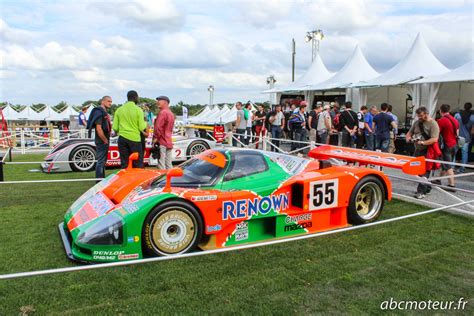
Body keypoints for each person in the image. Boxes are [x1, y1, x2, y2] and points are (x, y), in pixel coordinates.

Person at [406, 107, 440, 199]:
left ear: (426, 114)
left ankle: (421, 192)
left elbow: (434, 139)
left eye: (421, 116)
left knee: (424, 171)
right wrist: (408, 138)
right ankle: (427, 187)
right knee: (417, 170)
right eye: (418, 116)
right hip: (417, 150)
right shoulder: (417, 123)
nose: (419, 117)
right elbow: (409, 133)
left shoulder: (433, 124)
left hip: (428, 151)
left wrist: (423, 142)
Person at [112, 90, 147, 168]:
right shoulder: (138, 110)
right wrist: (145, 123)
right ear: (135, 97)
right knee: (137, 163)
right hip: (135, 140)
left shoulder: (119, 110)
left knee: (124, 163)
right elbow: (141, 127)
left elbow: (115, 127)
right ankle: (137, 180)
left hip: (122, 139)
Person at [86, 96, 112, 180]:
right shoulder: (99, 112)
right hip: (101, 140)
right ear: (102, 102)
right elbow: (98, 128)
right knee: (101, 161)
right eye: (108, 101)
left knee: (102, 161)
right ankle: (99, 181)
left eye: (111, 102)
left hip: (103, 139)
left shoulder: (102, 112)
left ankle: (101, 179)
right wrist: (105, 140)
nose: (110, 103)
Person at [436, 104, 459, 191]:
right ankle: (438, 180)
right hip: (454, 144)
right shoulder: (455, 120)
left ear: (441, 110)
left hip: (447, 145)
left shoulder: (441, 121)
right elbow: (457, 133)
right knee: (446, 163)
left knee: (448, 165)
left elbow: (436, 134)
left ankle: (451, 185)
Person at [153, 96, 175, 170]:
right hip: (169, 141)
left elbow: (158, 128)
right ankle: (171, 180)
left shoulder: (162, 113)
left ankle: (163, 181)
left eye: (159, 100)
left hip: (162, 141)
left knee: (161, 164)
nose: (157, 102)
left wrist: (155, 138)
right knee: (169, 164)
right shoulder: (171, 113)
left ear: (165, 102)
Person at [454, 102, 474, 173]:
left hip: (457, 136)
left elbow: (453, 126)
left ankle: (452, 167)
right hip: (466, 138)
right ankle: (462, 169)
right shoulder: (472, 117)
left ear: (464, 107)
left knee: (454, 153)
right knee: (464, 153)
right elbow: (472, 131)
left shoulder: (457, 115)